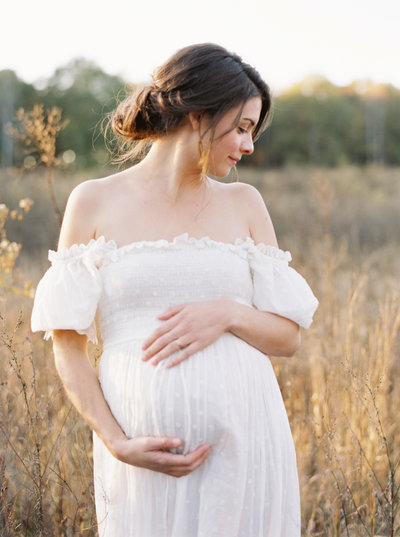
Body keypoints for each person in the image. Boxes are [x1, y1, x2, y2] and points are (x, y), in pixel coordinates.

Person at [31, 43, 319, 537]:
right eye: (243, 127)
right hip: (143, 461)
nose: (249, 147)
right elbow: (68, 346)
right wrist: (116, 442)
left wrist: (228, 313)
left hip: (246, 443)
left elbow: (288, 338)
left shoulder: (245, 203)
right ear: (198, 112)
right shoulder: (93, 201)